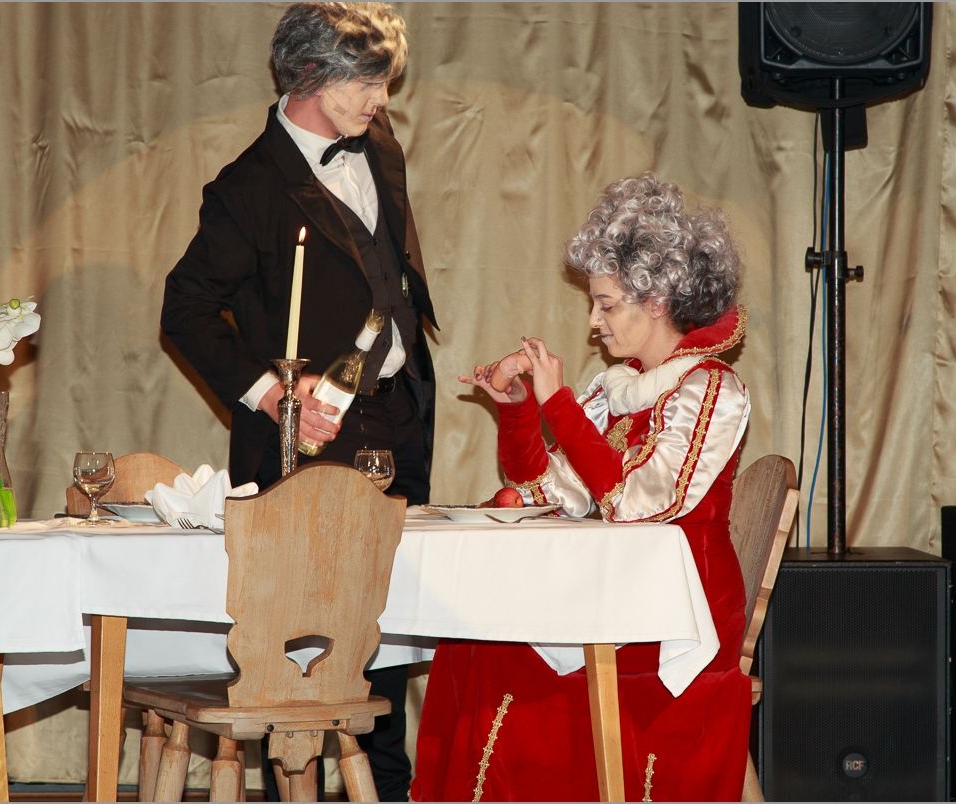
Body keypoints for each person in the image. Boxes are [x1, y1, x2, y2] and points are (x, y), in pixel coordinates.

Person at [160, 4, 436, 800]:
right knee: (309, 648)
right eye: (369, 83)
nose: (382, 100)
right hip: (306, 441)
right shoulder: (248, 188)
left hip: (398, 416)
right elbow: (185, 309)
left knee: (384, 630)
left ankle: (389, 791)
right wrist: (276, 392)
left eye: (385, 82)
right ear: (313, 75)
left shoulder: (379, 144)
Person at [411, 172, 751, 801]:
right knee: (472, 635)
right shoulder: (620, 390)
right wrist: (518, 409)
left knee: (502, 651)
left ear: (657, 300)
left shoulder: (710, 390)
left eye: (607, 304)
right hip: (616, 595)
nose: (594, 321)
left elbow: (638, 503)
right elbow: (549, 490)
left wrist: (559, 406)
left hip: (677, 613)